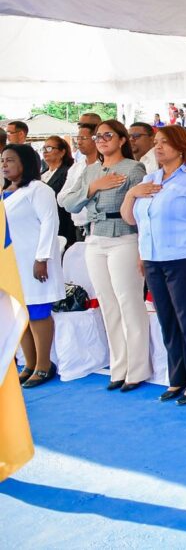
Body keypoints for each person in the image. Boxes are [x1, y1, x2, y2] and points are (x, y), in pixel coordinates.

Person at [121, 125, 186, 406]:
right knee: (167, 321)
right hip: (153, 260)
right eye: (157, 143)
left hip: (184, 259)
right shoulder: (149, 179)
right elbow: (132, 219)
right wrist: (131, 194)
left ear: (181, 146)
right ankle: (176, 378)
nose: (158, 147)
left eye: (165, 142)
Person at [61, 120, 152, 391]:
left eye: (107, 135)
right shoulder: (91, 171)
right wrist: (94, 187)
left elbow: (140, 209)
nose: (101, 140)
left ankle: (136, 369)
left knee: (128, 301)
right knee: (108, 304)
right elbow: (68, 202)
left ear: (122, 139)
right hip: (95, 237)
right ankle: (118, 366)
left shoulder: (134, 168)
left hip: (123, 236)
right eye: (97, 136)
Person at [3, 144, 65, 388]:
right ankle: (28, 363)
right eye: (2, 160)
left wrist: (42, 259)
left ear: (26, 162)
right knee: (21, 315)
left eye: (9, 160)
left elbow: (50, 223)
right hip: (11, 263)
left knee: (38, 313)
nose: (4, 164)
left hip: (34, 263)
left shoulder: (38, 190)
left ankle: (44, 365)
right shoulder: (5, 191)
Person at [59, 123, 101, 240]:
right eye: (78, 138)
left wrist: (76, 195)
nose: (79, 142)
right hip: (78, 228)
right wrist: (84, 193)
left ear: (95, 139)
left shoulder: (103, 166)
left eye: (83, 138)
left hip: (96, 226)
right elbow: (61, 199)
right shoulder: (76, 167)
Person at [40, 136, 77, 250]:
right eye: (44, 148)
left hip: (62, 226)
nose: (46, 152)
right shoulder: (42, 174)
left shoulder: (67, 172)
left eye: (50, 148)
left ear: (62, 152)